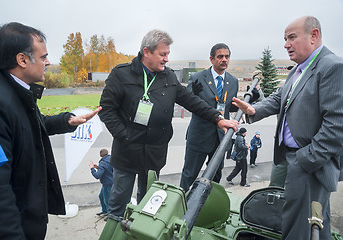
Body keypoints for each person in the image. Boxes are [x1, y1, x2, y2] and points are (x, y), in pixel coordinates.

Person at [98, 30, 239, 219]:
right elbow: (106, 109)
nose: (166, 59)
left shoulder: (168, 77)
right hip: (127, 150)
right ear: (146, 52)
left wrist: (218, 118)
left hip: (155, 151)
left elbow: (191, 101)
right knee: (118, 201)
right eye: (163, 54)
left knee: (148, 202)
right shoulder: (122, 75)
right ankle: (114, 230)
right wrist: (124, 135)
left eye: (168, 55)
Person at [0, 22, 101, 239]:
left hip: (28, 214)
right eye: (44, 56)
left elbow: (28, 125)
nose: (48, 62)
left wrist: (68, 120)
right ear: (22, 60)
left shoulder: (13, 87)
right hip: (17, 222)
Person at [232, 16, 343, 239]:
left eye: (292, 37)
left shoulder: (332, 67)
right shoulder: (298, 70)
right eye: (285, 39)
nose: (286, 44)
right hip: (293, 159)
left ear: (314, 36)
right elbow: (279, 98)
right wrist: (254, 110)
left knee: (300, 228)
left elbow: (337, 124)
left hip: (310, 164)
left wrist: (306, 160)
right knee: (313, 225)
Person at [179, 43, 239, 192]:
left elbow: (228, 107)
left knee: (215, 177)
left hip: (220, 138)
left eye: (227, 57)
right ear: (211, 59)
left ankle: (208, 207)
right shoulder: (198, 78)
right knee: (189, 175)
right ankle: (182, 207)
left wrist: (242, 104)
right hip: (199, 136)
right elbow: (189, 102)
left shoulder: (233, 81)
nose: (224, 60)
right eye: (220, 57)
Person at [89, 149, 113, 217]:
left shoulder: (103, 163)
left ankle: (110, 215)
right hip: (110, 182)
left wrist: (92, 168)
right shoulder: (111, 159)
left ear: (100, 156)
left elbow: (97, 176)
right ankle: (104, 211)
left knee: (107, 201)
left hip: (108, 184)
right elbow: (107, 169)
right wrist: (98, 167)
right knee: (101, 196)